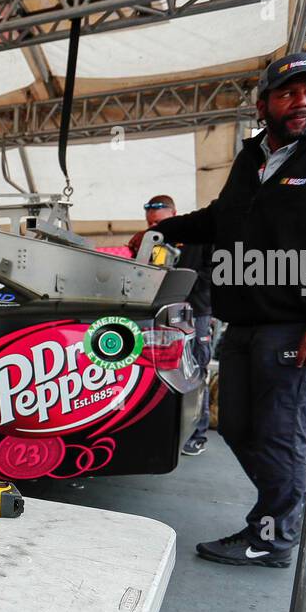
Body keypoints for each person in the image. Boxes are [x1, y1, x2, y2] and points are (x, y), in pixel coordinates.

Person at [149, 52, 306, 568]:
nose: (302, 101)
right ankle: (282, 513)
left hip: (295, 325)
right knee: (237, 427)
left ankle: (275, 535)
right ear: (263, 103)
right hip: (241, 322)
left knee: (278, 433)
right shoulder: (251, 157)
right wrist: (162, 229)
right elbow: (220, 218)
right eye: (288, 93)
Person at [129, 194, 215, 456]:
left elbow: (214, 274)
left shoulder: (201, 235)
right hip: (161, 312)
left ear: (174, 213)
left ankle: (198, 432)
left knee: (195, 367)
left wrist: (178, 280)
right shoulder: (153, 240)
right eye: (151, 223)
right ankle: (165, 427)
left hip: (195, 312)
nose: (155, 228)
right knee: (161, 369)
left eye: (159, 222)